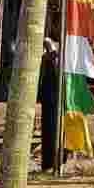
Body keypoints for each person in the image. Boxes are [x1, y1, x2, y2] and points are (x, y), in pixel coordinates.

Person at [37, 38, 60, 171]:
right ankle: (48, 163)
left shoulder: (54, 57)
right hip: (48, 97)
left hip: (55, 96)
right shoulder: (46, 59)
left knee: (54, 129)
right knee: (48, 130)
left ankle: (54, 162)